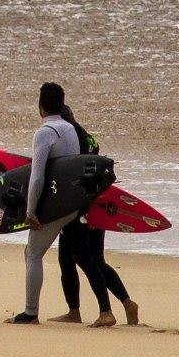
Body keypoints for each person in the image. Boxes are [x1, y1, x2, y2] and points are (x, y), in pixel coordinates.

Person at [49, 97, 139, 328]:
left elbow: (67, 173)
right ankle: (124, 303)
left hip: (78, 206)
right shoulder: (88, 137)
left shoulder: (68, 137)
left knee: (83, 259)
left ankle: (105, 311)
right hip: (98, 204)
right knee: (79, 259)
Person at [7, 82, 80, 324]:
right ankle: (92, 309)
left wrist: (30, 211)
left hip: (55, 207)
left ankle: (30, 313)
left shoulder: (45, 132)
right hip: (73, 204)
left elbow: (37, 175)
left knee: (33, 253)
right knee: (79, 259)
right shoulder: (69, 129)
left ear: (40, 107)